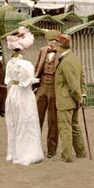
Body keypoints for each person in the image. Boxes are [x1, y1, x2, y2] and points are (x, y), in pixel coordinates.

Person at [4, 26, 44, 166]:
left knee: (14, 122)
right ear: (23, 49)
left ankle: (14, 153)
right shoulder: (26, 64)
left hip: (13, 93)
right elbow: (27, 81)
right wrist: (37, 81)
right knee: (26, 122)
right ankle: (27, 154)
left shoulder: (10, 63)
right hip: (24, 94)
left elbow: (8, 80)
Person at [54, 33, 87, 163]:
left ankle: (66, 156)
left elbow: (73, 84)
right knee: (74, 126)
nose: (55, 46)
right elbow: (82, 77)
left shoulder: (66, 62)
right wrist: (82, 95)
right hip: (73, 100)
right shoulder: (74, 58)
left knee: (65, 128)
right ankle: (81, 152)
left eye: (56, 43)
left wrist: (79, 97)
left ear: (60, 45)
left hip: (65, 100)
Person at [33, 29, 60, 158]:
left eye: (54, 41)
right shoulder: (43, 50)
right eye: (50, 40)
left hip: (55, 87)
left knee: (53, 120)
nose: (52, 43)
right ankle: (35, 147)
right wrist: (35, 85)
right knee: (36, 118)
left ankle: (51, 150)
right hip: (42, 85)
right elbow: (37, 66)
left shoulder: (62, 53)